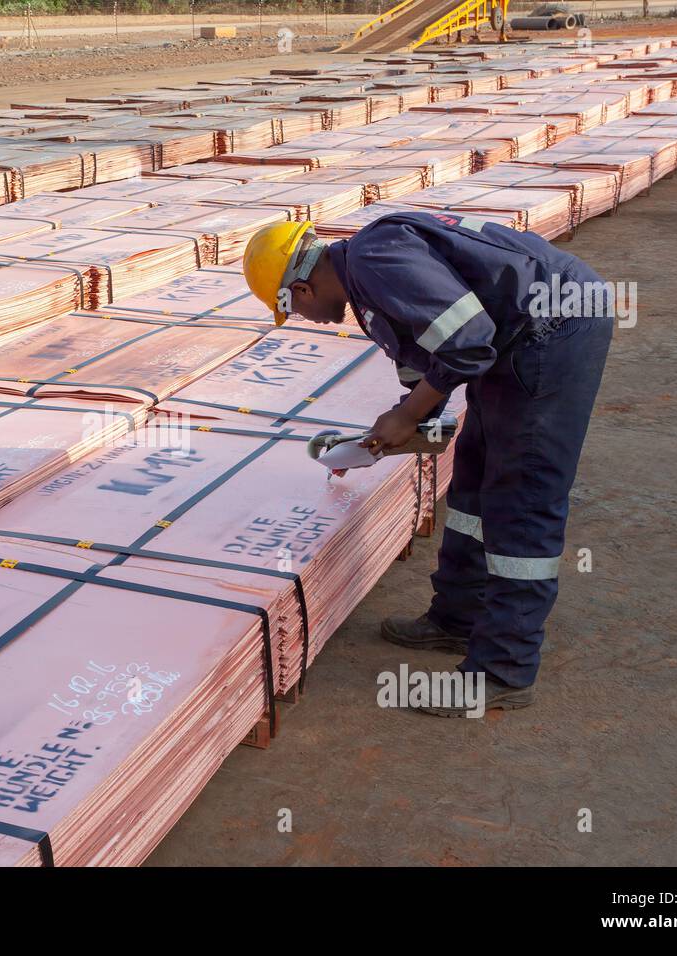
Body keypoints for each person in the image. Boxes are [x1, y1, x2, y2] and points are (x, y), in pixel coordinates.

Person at [241, 214, 614, 715]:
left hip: (555, 329)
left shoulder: (377, 260)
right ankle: (458, 617)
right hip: (516, 337)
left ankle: (503, 671)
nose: (307, 321)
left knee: (520, 497)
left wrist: (406, 415)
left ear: (302, 289)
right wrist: (390, 436)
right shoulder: (366, 287)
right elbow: (431, 368)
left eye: (294, 311)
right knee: (475, 482)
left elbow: (469, 342)